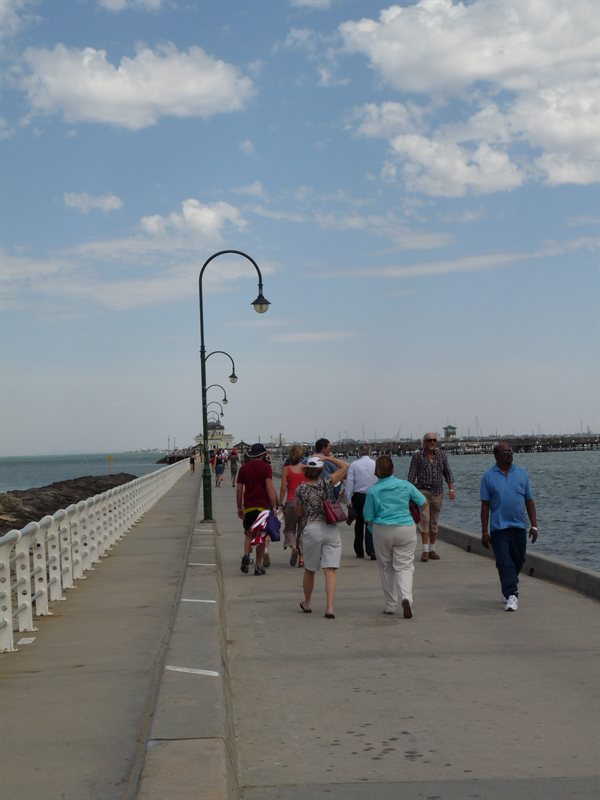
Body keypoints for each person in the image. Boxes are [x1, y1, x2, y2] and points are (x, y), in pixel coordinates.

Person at [364, 455, 427, 618]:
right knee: (405, 566)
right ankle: (406, 597)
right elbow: (423, 502)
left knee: (386, 567)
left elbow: (368, 518)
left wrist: (374, 529)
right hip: (405, 528)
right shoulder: (405, 485)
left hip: (382, 529)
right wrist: (419, 518)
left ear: (376, 472)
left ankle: (390, 604)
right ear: (393, 469)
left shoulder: (372, 491)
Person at [480, 442, 538, 612]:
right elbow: (485, 506)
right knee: (505, 562)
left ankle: (509, 583)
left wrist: (534, 526)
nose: (510, 455)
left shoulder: (521, 474)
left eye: (511, 452)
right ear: (496, 456)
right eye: (506, 452)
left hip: (519, 527)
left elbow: (529, 501)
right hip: (499, 529)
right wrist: (484, 531)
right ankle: (512, 594)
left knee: (518, 561)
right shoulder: (488, 477)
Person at [295, 454, 349, 619]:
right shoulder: (327, 482)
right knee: (330, 570)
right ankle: (330, 607)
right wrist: (327, 458)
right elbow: (346, 466)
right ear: (320, 470)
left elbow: (299, 513)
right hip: (330, 528)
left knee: (310, 569)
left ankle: (308, 602)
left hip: (312, 528)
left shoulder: (300, 489)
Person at [407, 432, 456, 561]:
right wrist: (408, 494)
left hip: (438, 492)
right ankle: (425, 550)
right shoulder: (417, 456)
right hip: (422, 492)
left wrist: (451, 489)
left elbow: (448, 473)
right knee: (425, 520)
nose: (432, 442)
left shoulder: (441, 455)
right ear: (424, 442)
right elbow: (411, 476)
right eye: (429, 440)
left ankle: (432, 549)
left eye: (434, 440)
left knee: (434, 521)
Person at [236, 443, 278, 576]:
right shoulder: (266, 468)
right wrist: (275, 506)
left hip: (249, 507)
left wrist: (239, 507)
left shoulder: (243, 469)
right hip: (263, 507)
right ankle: (258, 567)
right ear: (263, 454)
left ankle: (246, 555)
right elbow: (269, 488)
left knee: (249, 533)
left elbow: (239, 490)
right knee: (261, 535)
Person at [345, 443, 377, 559]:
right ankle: (372, 550)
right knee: (371, 522)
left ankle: (359, 550)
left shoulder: (354, 464)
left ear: (359, 452)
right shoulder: (375, 464)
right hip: (372, 495)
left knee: (359, 523)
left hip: (358, 496)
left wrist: (348, 499)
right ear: (370, 452)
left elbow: (349, 482)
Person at [279, 444, 307, 567]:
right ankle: (302, 559)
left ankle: (294, 547)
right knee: (303, 530)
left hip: (291, 502)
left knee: (289, 529)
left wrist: (280, 503)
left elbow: (283, 488)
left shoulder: (286, 469)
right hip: (305, 502)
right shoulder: (306, 469)